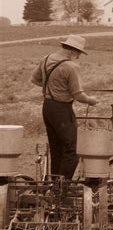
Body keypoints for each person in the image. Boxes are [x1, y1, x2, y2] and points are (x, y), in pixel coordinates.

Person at [31, 34, 98, 180]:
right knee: (73, 150)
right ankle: (63, 187)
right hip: (62, 109)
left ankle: (54, 184)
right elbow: (79, 95)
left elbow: (35, 79)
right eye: (79, 53)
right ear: (74, 51)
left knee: (57, 149)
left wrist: (52, 87)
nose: (78, 56)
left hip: (47, 107)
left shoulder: (46, 59)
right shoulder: (71, 66)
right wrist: (91, 100)